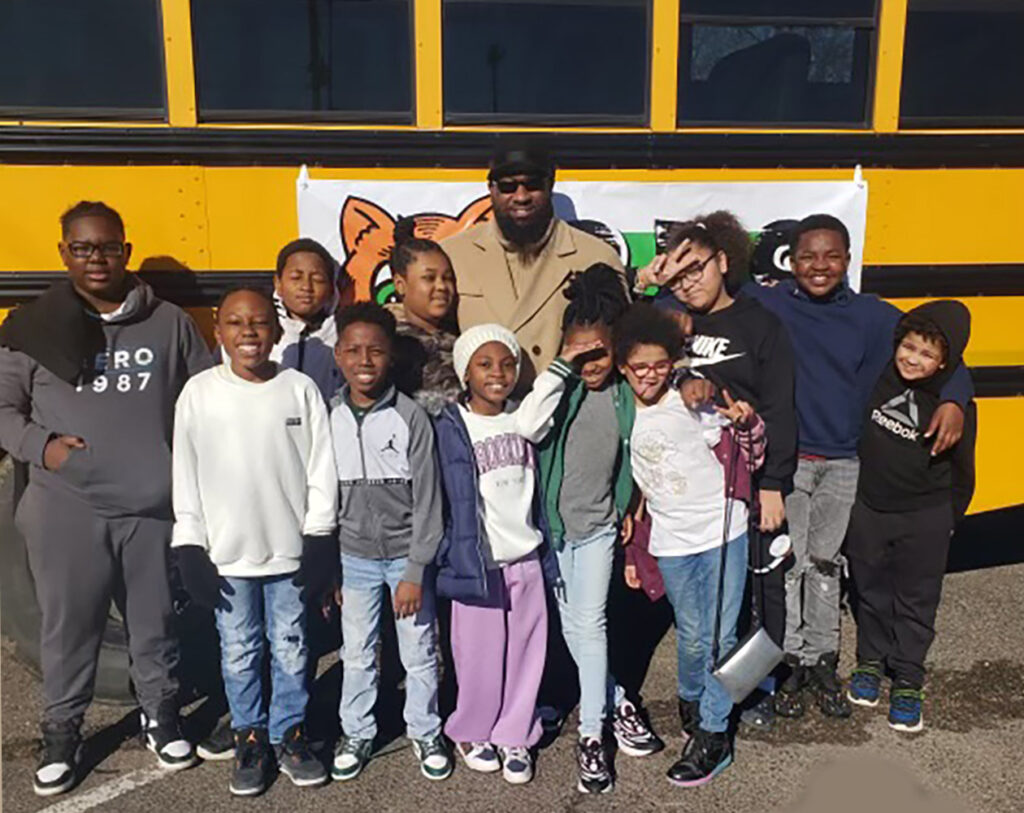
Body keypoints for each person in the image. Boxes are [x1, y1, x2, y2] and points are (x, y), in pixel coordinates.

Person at [650, 213, 973, 719]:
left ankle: (821, 658)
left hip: (845, 462)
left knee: (826, 564)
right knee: (788, 563)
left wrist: (954, 397)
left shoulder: (871, 315)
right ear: (790, 261)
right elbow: (688, 304)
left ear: (848, 259)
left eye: (831, 256)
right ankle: (789, 659)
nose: (819, 266)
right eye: (807, 256)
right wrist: (660, 295)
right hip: (792, 459)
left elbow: (936, 345)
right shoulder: (770, 302)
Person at [0, 201, 208, 796]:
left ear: (126, 251)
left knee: (154, 622)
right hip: (68, 506)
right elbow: (4, 409)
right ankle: (62, 732)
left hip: (150, 507)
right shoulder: (32, 327)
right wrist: (44, 449)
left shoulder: (168, 322)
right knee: (69, 627)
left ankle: (160, 716)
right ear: (63, 253)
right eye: (83, 248)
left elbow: (203, 399)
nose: (97, 258)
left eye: (108, 247)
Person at [171, 287, 338, 797]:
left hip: (288, 550)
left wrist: (319, 535)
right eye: (236, 323)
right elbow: (186, 473)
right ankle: (249, 734)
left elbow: (320, 468)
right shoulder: (199, 393)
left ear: (277, 329)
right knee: (239, 649)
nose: (249, 332)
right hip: (226, 555)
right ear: (218, 329)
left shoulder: (298, 389)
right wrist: (189, 543)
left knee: (292, 645)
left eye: (261, 322)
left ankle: (289, 731)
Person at [636, 211, 797, 729]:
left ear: (723, 261)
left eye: (697, 269)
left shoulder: (761, 323)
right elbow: (620, 339)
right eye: (678, 275)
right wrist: (648, 283)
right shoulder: (665, 318)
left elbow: (780, 405)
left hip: (745, 478)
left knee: (754, 595)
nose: (688, 283)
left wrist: (773, 485)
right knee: (704, 613)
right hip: (682, 490)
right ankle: (707, 694)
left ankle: (749, 687)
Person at [432, 324, 599, 785]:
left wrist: (563, 365)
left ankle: (516, 734)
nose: (498, 373)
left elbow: (539, 409)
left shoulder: (523, 417)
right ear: (465, 373)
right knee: (478, 656)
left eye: (508, 364)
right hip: (478, 564)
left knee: (527, 651)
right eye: (485, 365)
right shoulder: (451, 425)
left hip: (526, 557)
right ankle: (472, 730)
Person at [616, 303, 765, 787]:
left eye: (661, 365)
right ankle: (692, 697)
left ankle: (714, 734)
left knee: (721, 635)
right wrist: (633, 548)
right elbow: (633, 490)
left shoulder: (691, 398)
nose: (650, 375)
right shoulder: (619, 411)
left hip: (723, 529)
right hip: (671, 540)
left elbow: (744, 446)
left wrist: (744, 422)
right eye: (639, 366)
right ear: (623, 367)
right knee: (693, 634)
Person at [535, 264, 663, 794]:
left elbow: (637, 451)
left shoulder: (622, 395)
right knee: (575, 628)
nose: (590, 363)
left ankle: (591, 736)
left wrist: (630, 502)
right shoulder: (556, 391)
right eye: (578, 353)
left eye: (600, 353)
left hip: (598, 529)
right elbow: (528, 428)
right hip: (552, 531)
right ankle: (619, 699)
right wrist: (558, 372)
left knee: (589, 624)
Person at [328, 302, 451, 783]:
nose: (364, 360)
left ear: (391, 356)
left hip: (405, 559)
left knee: (418, 652)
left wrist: (416, 571)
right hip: (353, 559)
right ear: (338, 355)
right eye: (353, 350)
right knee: (357, 652)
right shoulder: (328, 416)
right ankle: (356, 732)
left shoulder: (410, 417)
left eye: (376, 351)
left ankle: (425, 730)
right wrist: (331, 567)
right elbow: (322, 498)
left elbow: (429, 502)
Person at [845, 301, 976, 733]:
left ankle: (908, 676)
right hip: (870, 506)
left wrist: (949, 517)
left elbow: (963, 469)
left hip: (925, 514)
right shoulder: (879, 375)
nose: (913, 359)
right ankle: (870, 660)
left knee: (917, 598)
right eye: (908, 346)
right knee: (870, 588)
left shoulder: (954, 404)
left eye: (927, 354)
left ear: (945, 363)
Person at [442, 143, 627, 390]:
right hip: (483, 407)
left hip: (566, 405)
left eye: (533, 185)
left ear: (550, 185)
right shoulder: (454, 254)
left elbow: (626, 342)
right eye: (508, 187)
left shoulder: (595, 256)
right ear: (491, 189)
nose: (521, 197)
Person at [386, 217, 461, 416]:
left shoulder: (463, 338)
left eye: (447, 278)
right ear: (400, 284)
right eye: (429, 278)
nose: (442, 286)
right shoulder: (389, 344)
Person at [271, 237, 348, 403]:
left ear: (331, 287)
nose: (306, 287)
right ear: (278, 283)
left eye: (317, 279)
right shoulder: (263, 331)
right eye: (295, 277)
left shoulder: (344, 333)